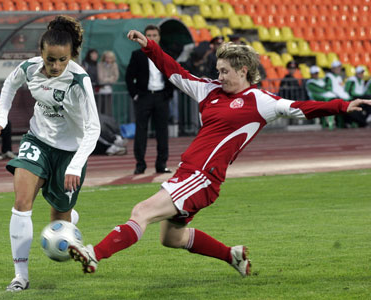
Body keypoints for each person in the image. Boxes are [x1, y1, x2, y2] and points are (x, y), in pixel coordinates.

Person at [68, 29, 371, 277]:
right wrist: (150, 47)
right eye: (218, 70)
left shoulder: (260, 100)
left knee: (141, 212)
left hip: (202, 176)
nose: (220, 76)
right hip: (191, 174)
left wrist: (342, 106)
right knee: (171, 239)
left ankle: (93, 254)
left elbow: (301, 108)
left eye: (225, 71)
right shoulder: (209, 90)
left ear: (244, 70)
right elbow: (175, 72)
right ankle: (232, 255)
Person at [0, 15, 101, 292]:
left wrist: (75, 165)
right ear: (41, 53)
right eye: (50, 59)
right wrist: (1, 117)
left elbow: (94, 128)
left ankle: (69, 221)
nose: (55, 66)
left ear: (71, 56)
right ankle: (20, 276)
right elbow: (9, 85)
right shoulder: (28, 68)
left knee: (58, 221)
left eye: (62, 60)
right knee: (21, 201)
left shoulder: (79, 80)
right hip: (37, 140)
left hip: (69, 153)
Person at [125, 24, 174, 175]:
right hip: (144, 97)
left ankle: (161, 164)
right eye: (149, 36)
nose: (152, 38)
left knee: (162, 132)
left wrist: (168, 94)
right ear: (144, 37)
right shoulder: (137, 54)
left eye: (154, 35)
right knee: (141, 131)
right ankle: (140, 164)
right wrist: (136, 95)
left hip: (161, 97)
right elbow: (128, 77)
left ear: (159, 37)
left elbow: (173, 75)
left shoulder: (166, 53)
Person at [96, 50, 119, 115]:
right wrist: (109, 78)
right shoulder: (100, 64)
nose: (108, 59)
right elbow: (100, 78)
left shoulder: (114, 65)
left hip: (109, 90)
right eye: (107, 57)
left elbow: (115, 77)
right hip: (100, 90)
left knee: (108, 109)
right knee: (100, 108)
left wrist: (106, 79)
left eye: (110, 58)